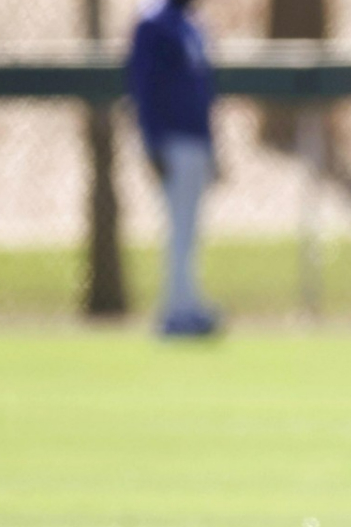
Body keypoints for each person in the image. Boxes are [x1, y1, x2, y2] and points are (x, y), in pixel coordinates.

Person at [126, 0, 220, 336]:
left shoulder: (192, 24)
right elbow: (143, 85)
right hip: (171, 139)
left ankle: (189, 304)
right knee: (178, 228)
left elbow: (203, 89)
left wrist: (212, 146)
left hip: (195, 139)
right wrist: (152, 142)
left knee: (191, 230)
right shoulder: (153, 22)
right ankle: (175, 312)